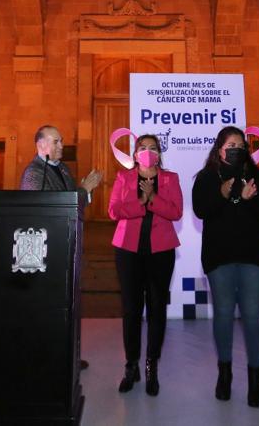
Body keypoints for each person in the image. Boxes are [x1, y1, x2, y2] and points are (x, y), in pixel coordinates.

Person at [192, 125, 259, 408]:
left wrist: (250, 199)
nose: (236, 149)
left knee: (252, 314)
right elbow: (201, 210)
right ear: (219, 149)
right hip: (219, 255)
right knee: (224, 314)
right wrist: (222, 194)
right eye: (231, 145)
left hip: (252, 255)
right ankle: (224, 373)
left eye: (240, 145)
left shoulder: (255, 175)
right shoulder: (206, 177)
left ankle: (255, 376)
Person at [19, 124, 102, 371]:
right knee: (49, 309)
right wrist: (84, 190)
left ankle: (69, 356)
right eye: (56, 141)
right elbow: (42, 210)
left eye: (61, 141)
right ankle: (48, 359)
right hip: (47, 253)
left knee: (69, 306)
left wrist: (84, 192)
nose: (61, 146)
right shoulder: (33, 173)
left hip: (67, 247)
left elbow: (71, 204)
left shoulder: (63, 169)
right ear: (41, 145)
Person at [108, 134, 183, 396]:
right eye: (142, 148)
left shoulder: (170, 178)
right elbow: (114, 211)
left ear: (159, 153)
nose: (148, 152)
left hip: (161, 252)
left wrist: (153, 198)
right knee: (131, 310)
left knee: (156, 308)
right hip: (128, 251)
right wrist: (141, 201)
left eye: (153, 148)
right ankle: (131, 365)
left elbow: (176, 212)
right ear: (135, 153)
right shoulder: (123, 177)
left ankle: (152, 366)